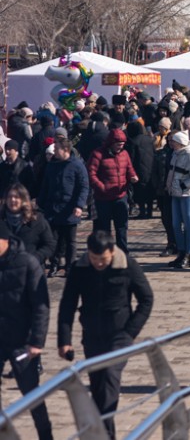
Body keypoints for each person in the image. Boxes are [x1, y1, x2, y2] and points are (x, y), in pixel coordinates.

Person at [57, 230, 154, 439]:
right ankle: (102, 433)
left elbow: (146, 300)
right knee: (99, 389)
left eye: (102, 259)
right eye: (94, 258)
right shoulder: (80, 268)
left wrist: (130, 333)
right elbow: (67, 304)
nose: (98, 263)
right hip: (92, 336)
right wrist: (64, 341)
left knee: (110, 379)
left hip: (119, 335)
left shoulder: (127, 265)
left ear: (112, 252)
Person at [0, 221, 53, 440]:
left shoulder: (27, 263)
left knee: (32, 395)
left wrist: (37, 342)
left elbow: (41, 306)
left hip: (22, 341)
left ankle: (45, 436)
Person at [38, 136, 89, 278]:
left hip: (70, 210)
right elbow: (45, 186)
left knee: (70, 241)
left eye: (57, 150)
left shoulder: (77, 165)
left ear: (65, 150)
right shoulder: (52, 165)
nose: (54, 153)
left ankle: (70, 266)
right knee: (53, 240)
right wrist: (40, 204)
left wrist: (79, 205)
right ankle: (54, 264)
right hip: (53, 208)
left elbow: (84, 187)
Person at [86, 128, 138, 255]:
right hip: (103, 198)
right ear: (111, 143)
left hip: (120, 195)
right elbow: (91, 174)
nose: (120, 147)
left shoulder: (124, 154)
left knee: (121, 227)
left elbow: (129, 168)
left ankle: (123, 253)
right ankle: (106, 252)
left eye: (122, 145)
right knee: (104, 228)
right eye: (118, 145)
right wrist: (102, 187)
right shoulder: (98, 154)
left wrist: (133, 176)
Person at [166, 132, 190, 269]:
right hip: (175, 193)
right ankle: (181, 253)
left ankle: (188, 254)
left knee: (188, 224)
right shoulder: (176, 153)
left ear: (180, 142)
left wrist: (184, 185)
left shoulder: (189, 154)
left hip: (187, 194)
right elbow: (172, 172)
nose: (171, 144)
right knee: (176, 224)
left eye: (173, 141)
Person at [0, 183, 55, 267]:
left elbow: (50, 245)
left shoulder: (36, 220)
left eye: (16, 197)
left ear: (23, 199)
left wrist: (35, 258)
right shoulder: (2, 220)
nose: (12, 200)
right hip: (6, 272)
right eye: (9, 197)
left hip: (31, 270)